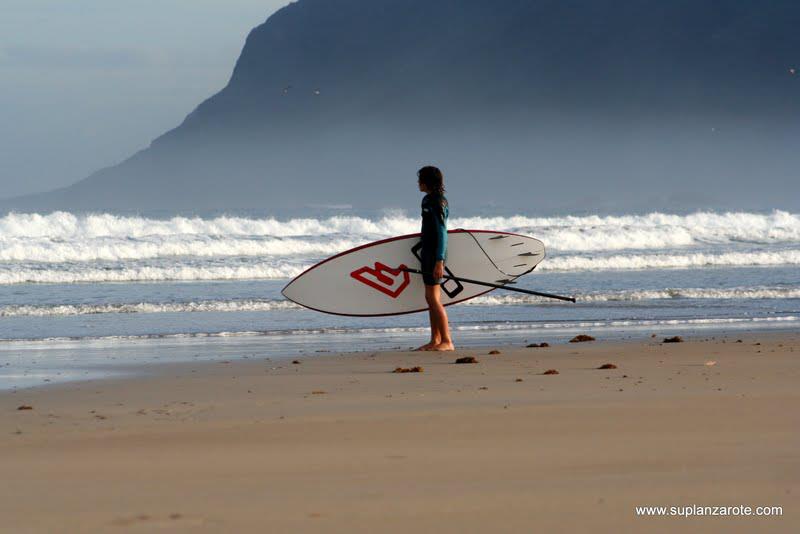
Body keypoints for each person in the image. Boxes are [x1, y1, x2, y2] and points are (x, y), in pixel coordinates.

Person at [415, 166, 454, 351]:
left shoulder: (437, 202)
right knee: (430, 298)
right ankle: (435, 340)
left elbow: (442, 233)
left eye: (420, 179)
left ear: (427, 181)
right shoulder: (427, 200)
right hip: (428, 252)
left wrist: (439, 260)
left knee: (433, 298)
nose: (417, 182)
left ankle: (447, 341)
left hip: (435, 254)